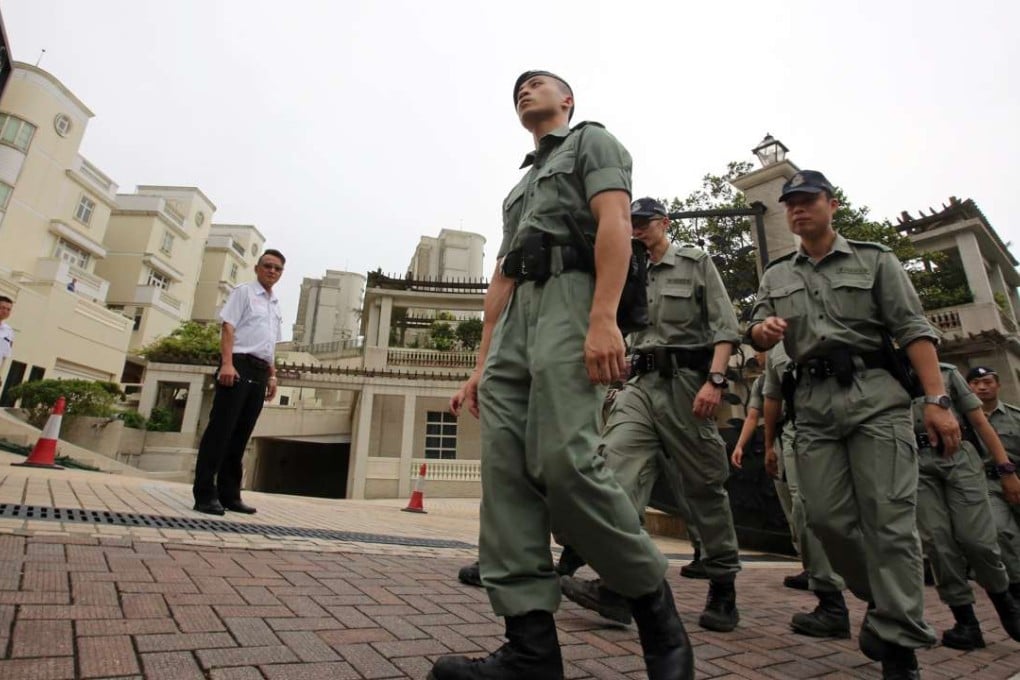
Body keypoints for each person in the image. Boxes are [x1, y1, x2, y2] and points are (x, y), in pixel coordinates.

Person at [428, 71, 692, 680]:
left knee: (567, 463)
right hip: (517, 321)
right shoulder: (517, 191)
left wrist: (603, 319)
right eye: (515, 88)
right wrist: (480, 366)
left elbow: (615, 224)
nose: (523, 91)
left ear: (567, 100)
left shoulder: (592, 143)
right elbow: (502, 279)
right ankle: (530, 651)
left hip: (571, 303)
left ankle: (655, 613)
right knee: (505, 479)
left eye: (537, 84)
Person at [748, 170, 960, 680]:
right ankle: (883, 602)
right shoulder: (776, 273)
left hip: (876, 398)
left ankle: (899, 646)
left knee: (889, 521)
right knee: (823, 519)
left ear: (831, 204)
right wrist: (763, 330)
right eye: (790, 204)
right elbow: (753, 331)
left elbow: (913, 329)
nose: (798, 210)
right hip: (813, 404)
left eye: (807, 201)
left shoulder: (875, 259)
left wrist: (936, 399)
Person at [560, 196, 743, 634]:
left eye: (642, 223)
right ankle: (619, 586)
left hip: (686, 386)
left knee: (703, 488)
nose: (636, 230)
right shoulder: (626, 270)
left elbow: (725, 327)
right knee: (614, 472)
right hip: (639, 387)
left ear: (663, 223)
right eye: (631, 224)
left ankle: (723, 584)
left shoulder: (695, 263)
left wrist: (715, 381)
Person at [911, 363, 1020, 649]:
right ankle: (966, 622)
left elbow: (980, 422)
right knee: (938, 543)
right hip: (915, 463)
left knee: (978, 541)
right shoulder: (883, 374)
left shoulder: (945, 373)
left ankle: (1006, 604)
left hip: (959, 458)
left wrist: (1006, 470)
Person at [192, 250, 285, 516]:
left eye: (277, 268)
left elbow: (269, 345)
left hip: (259, 369)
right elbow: (228, 328)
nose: (272, 271)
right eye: (267, 266)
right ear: (257, 268)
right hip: (238, 365)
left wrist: (273, 374)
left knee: (241, 435)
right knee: (220, 431)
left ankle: (229, 494)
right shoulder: (244, 292)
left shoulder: (274, 304)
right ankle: (204, 494)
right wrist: (227, 363)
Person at [967, 366, 1020, 600]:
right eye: (976, 383)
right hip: (987, 484)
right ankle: (1017, 585)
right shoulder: (964, 421)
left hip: (1017, 478)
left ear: (998, 385)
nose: (982, 387)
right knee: (1003, 531)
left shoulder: (1015, 416)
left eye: (987, 382)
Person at [0, 296, 14, 390]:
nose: (5, 311)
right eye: (2, 308)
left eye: (8, 309)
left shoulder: (9, 331)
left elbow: (4, 357)